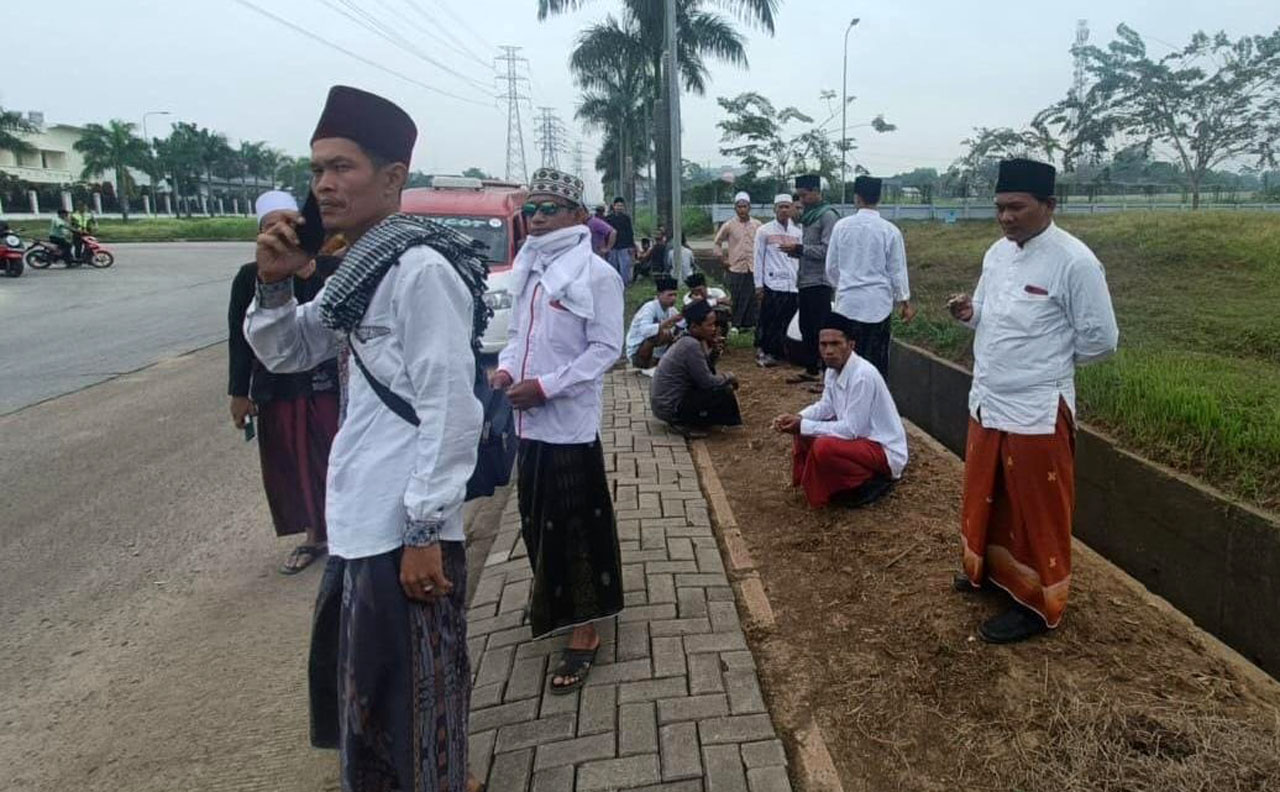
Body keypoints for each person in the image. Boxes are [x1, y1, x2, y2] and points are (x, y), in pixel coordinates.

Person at [243, 85, 489, 792]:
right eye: (317, 168)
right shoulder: (359, 273)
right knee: (373, 713)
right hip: (359, 521)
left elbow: (452, 409)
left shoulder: (421, 271)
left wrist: (424, 530)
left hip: (402, 532)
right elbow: (289, 351)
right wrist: (273, 285)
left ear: (392, 177)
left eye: (342, 166)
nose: (324, 184)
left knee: (417, 711)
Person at [948, 158, 1118, 644]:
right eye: (1000, 207)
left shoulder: (1075, 262)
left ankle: (1038, 605)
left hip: (1036, 409)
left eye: (1017, 207)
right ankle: (988, 573)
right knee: (987, 492)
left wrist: (1047, 363)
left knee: (1036, 509)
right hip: (988, 399)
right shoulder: (996, 254)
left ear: (1049, 205)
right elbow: (989, 312)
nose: (1006, 217)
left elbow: (1102, 340)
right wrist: (970, 313)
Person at [492, 167, 625, 693]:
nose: (538, 218)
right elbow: (517, 336)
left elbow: (606, 349)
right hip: (528, 423)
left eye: (549, 208)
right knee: (536, 519)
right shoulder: (529, 268)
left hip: (567, 426)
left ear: (578, 215)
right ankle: (554, 599)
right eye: (532, 209)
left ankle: (585, 628)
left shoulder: (595, 275)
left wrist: (546, 387)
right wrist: (506, 369)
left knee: (573, 525)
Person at [229, 190, 341, 575]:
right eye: (270, 224)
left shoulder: (332, 269)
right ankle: (313, 535)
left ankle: (345, 532)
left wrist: (311, 273)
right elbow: (240, 338)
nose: (281, 230)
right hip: (278, 389)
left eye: (288, 222)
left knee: (333, 458)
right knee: (294, 465)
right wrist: (238, 393)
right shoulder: (252, 275)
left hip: (326, 387)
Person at [773, 312, 908, 509]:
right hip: (859, 440)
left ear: (851, 345)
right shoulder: (832, 370)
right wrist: (798, 417)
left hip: (882, 448)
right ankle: (815, 483)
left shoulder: (862, 376)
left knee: (823, 446)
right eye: (823, 344)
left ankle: (869, 480)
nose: (828, 351)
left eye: (835, 344)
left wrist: (803, 425)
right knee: (804, 432)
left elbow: (852, 430)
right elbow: (826, 405)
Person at [825, 175, 914, 378]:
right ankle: (873, 397)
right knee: (875, 363)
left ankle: (845, 396)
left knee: (846, 361)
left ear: (857, 197)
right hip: (877, 306)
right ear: (879, 198)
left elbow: (831, 267)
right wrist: (904, 301)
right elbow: (897, 270)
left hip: (847, 305)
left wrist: (843, 286)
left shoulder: (841, 227)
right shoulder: (890, 231)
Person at [650, 299, 742, 435]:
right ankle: (684, 423)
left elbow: (704, 370)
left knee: (719, 385)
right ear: (694, 327)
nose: (714, 329)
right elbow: (707, 381)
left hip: (666, 405)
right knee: (723, 391)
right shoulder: (690, 345)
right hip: (671, 408)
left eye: (714, 324)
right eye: (709, 325)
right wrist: (729, 377)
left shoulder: (688, 339)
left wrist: (714, 352)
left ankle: (699, 421)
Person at [783, 174, 838, 384]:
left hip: (820, 281)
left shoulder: (828, 216)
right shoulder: (809, 215)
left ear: (816, 191)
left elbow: (828, 250)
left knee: (820, 328)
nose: (802, 200)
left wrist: (800, 249)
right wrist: (796, 251)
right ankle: (811, 369)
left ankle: (826, 374)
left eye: (804, 195)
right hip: (806, 279)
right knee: (806, 326)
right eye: (799, 196)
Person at [753, 193, 802, 367]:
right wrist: (758, 285)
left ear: (792, 209)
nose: (784, 210)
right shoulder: (764, 231)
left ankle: (782, 352)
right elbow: (758, 258)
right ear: (775, 209)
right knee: (770, 319)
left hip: (792, 284)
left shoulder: (797, 232)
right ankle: (765, 350)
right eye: (780, 207)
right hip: (773, 283)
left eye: (787, 206)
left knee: (788, 320)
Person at [713, 192, 762, 330]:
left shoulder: (757, 225)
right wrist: (722, 259)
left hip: (753, 266)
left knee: (752, 296)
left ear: (749, 207)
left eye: (744, 206)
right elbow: (717, 242)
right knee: (736, 296)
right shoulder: (729, 225)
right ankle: (735, 324)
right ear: (735, 208)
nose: (742, 210)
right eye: (739, 207)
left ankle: (750, 324)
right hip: (735, 267)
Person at [626, 274, 682, 370]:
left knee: (678, 334)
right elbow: (645, 331)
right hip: (637, 352)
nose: (673, 298)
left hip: (655, 353)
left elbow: (682, 324)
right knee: (659, 333)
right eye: (670, 295)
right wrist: (668, 321)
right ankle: (646, 364)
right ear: (659, 295)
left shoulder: (671, 310)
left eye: (675, 295)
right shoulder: (649, 307)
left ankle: (660, 362)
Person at [604, 196, 637, 283]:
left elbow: (630, 232)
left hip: (624, 246)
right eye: (618, 206)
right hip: (613, 246)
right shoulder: (608, 218)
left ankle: (624, 283)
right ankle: (613, 283)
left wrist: (631, 246)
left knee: (625, 266)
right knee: (612, 266)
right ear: (614, 206)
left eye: (621, 206)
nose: (619, 208)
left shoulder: (626, 218)